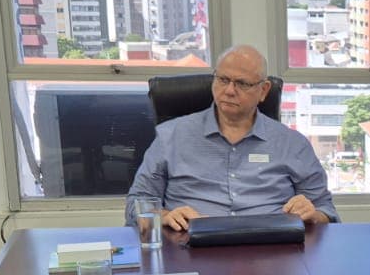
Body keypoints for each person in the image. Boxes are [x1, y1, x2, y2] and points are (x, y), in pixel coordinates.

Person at [126, 45, 337, 230]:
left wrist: (312, 215)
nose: (229, 91)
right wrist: (164, 216)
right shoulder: (171, 136)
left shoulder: (292, 144)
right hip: (189, 247)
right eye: (223, 80)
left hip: (271, 250)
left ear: (263, 91)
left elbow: (326, 211)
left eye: (242, 84)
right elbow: (136, 204)